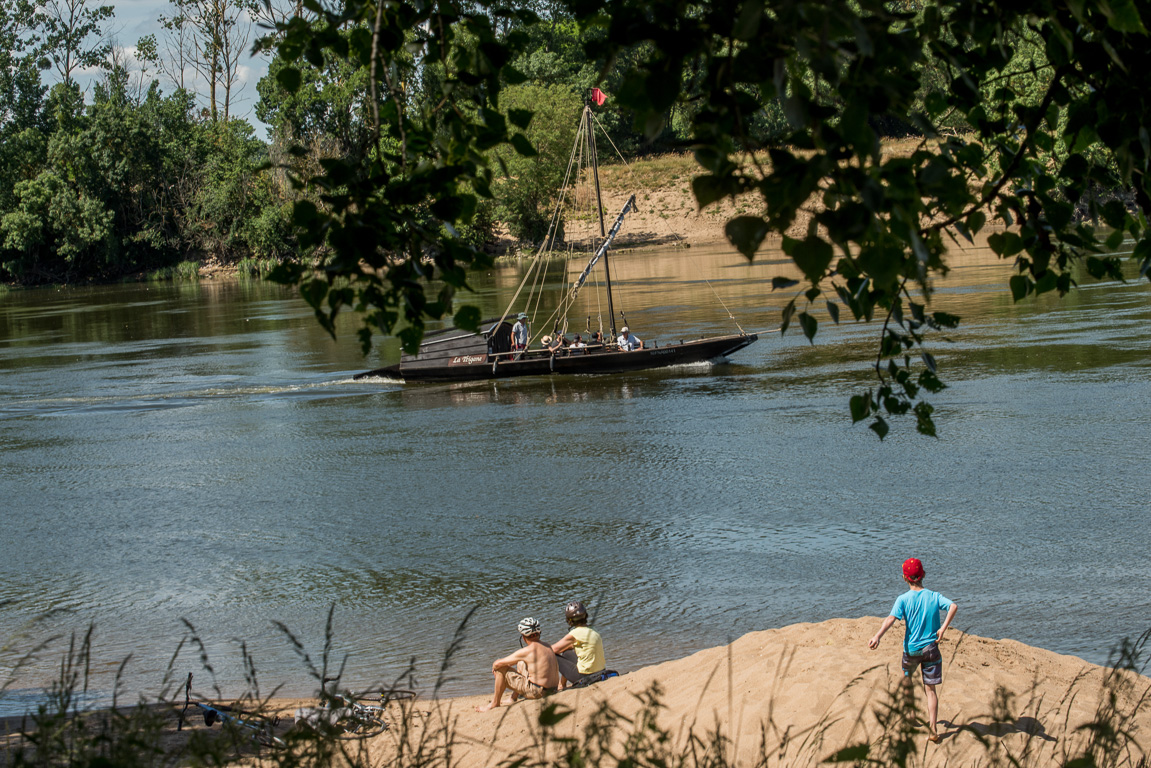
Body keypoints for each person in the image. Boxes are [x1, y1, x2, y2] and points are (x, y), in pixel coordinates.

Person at [868, 557, 958, 743]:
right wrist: (943, 628)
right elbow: (953, 606)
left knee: (906, 680)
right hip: (931, 648)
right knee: (930, 689)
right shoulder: (933, 596)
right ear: (923, 575)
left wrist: (877, 636)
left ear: (904, 578)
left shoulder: (902, 599)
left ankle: (910, 714)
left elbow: (890, 619)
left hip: (911, 650)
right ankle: (933, 729)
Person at [476, 617, 560, 712]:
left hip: (538, 692)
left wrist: (501, 670)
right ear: (539, 634)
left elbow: (496, 664)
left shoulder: (527, 651)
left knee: (500, 669)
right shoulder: (547, 646)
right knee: (521, 662)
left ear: (523, 637)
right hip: (553, 689)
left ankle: (495, 703)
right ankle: (513, 698)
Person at [551, 601, 606, 689]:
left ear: (569, 620)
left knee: (552, 655)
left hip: (585, 676)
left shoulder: (575, 634)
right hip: (601, 671)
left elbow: (552, 650)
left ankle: (555, 685)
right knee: (566, 653)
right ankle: (562, 684)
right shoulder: (592, 629)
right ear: (585, 616)